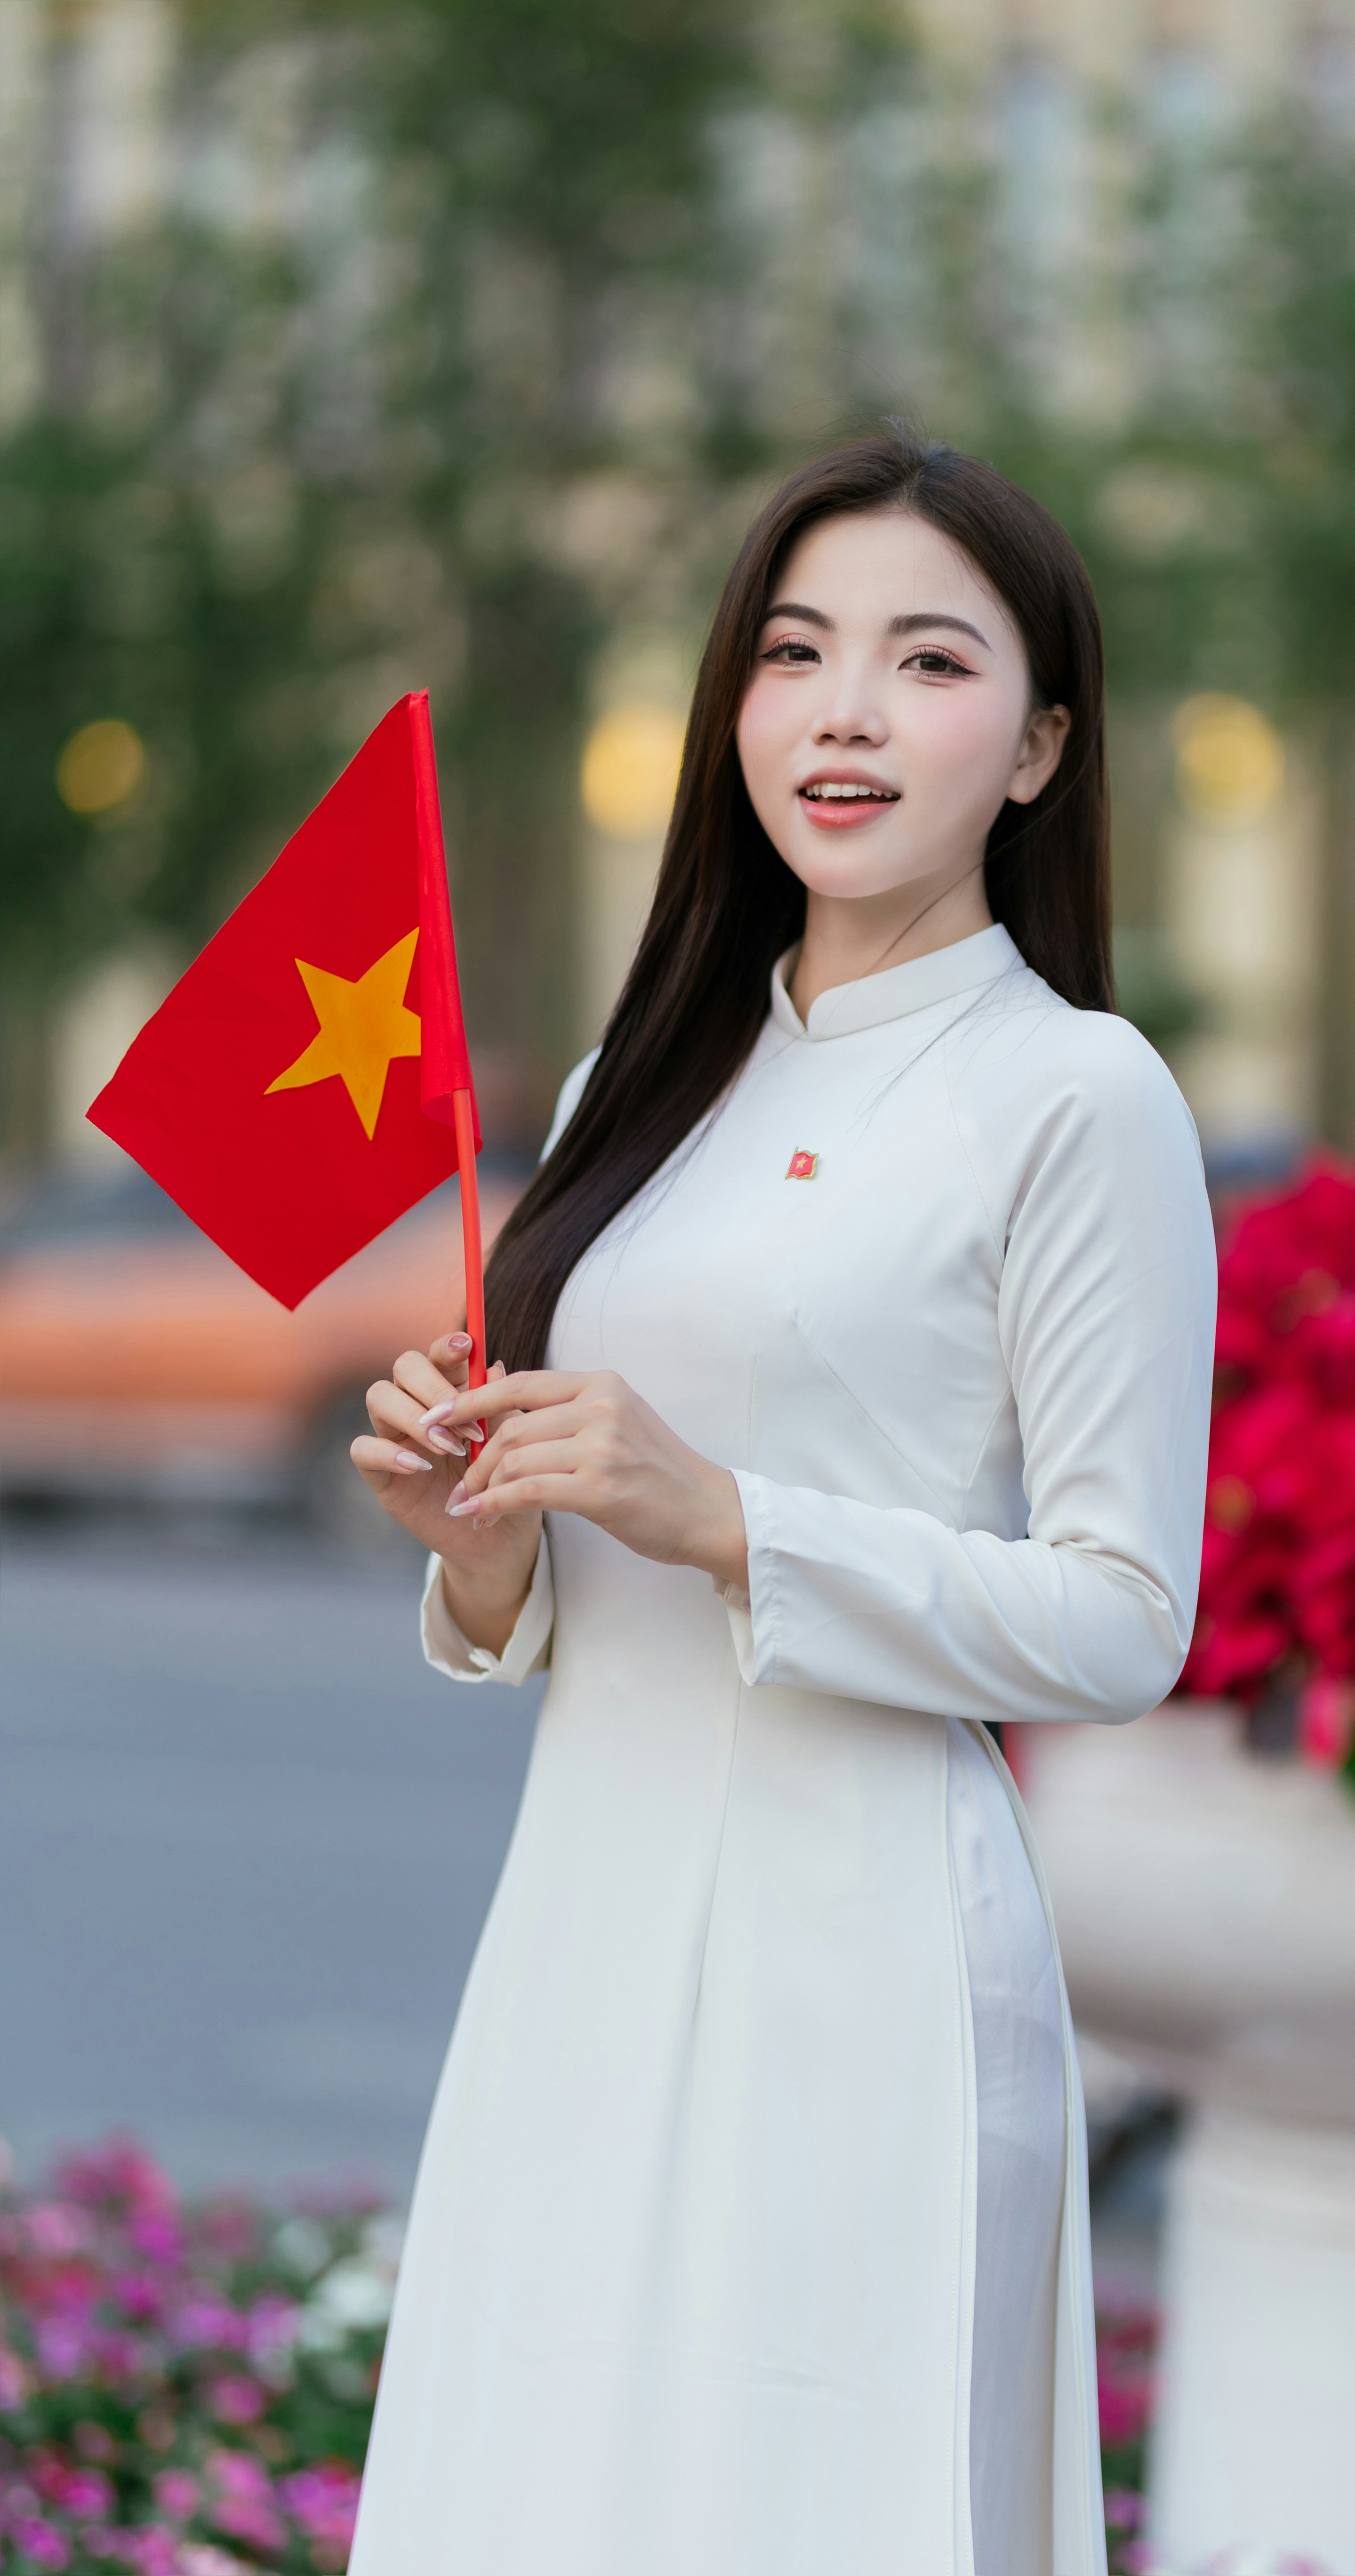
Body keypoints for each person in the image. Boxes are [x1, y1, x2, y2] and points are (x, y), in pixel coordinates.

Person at [345, 427, 1216, 2576]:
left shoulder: (1073, 1096)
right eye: (795, 651)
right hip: (587, 1917)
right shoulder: (633, 1085)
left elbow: (1125, 1615)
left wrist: (730, 1514)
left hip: (860, 1959)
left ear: (1037, 747)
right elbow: (566, 1572)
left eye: (929, 663)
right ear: (730, 704)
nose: (843, 711)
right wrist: (489, 1549)